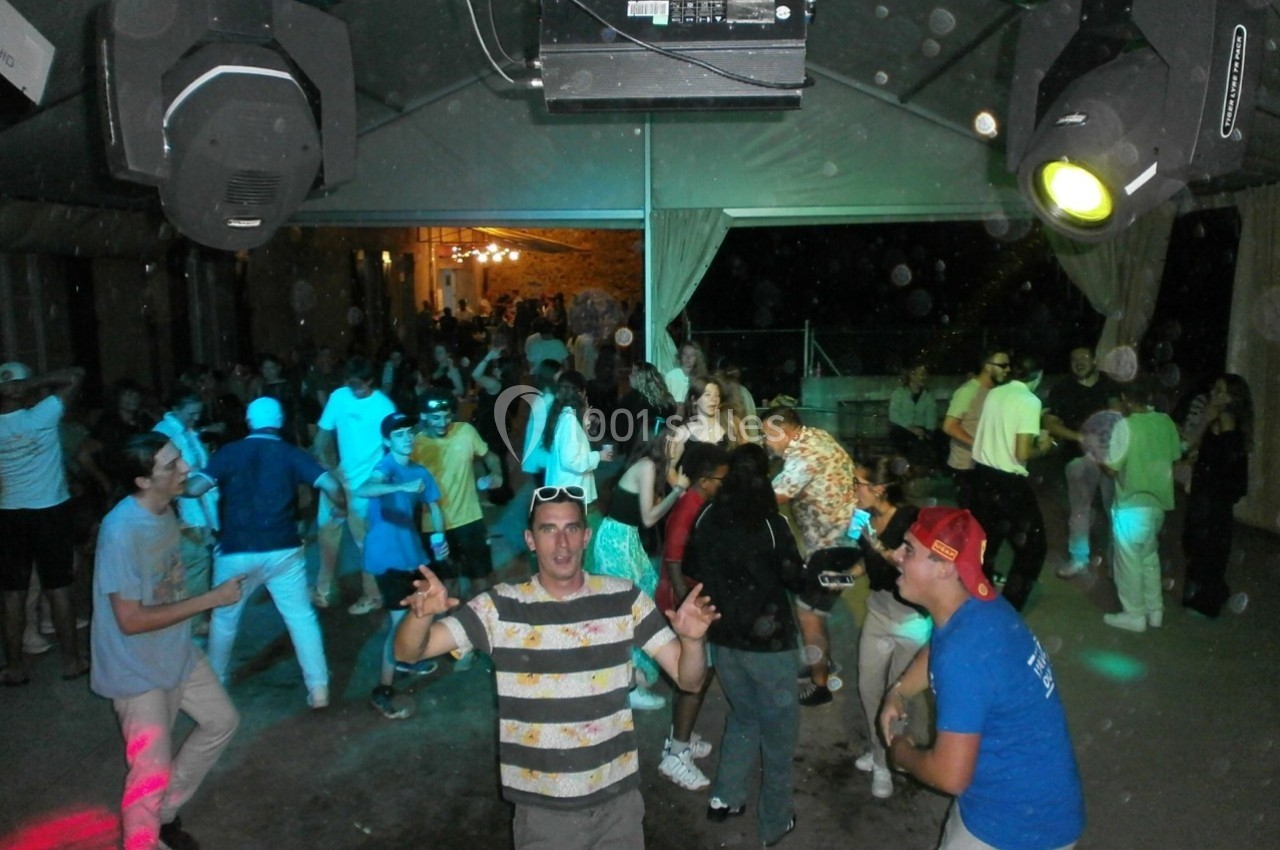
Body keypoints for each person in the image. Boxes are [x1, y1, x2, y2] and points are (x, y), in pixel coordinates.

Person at [392, 485, 718, 850]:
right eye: (549, 529)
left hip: (618, 801)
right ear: (530, 540)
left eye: (572, 528)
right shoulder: (500, 607)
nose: (561, 543)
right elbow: (410, 652)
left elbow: (689, 680)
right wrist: (420, 617)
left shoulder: (624, 598)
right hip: (543, 809)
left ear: (586, 537)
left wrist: (692, 642)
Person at [880, 507, 1085, 850]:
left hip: (1012, 829)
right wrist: (899, 692)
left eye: (909, 550)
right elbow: (938, 646)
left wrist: (903, 754)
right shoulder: (977, 607)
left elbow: (950, 775)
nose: (896, 556)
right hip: (1039, 803)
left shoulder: (965, 656)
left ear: (945, 567)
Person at [90, 433, 246, 850]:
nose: (185, 469)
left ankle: (164, 813)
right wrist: (211, 600)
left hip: (175, 651)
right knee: (149, 772)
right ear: (143, 481)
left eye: (180, 459)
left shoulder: (164, 509)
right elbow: (130, 619)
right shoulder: (121, 531)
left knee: (222, 721)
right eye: (171, 465)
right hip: (134, 669)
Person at [184, 397, 346, 708]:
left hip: (235, 550)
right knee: (301, 619)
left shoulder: (230, 453)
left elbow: (194, 489)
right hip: (283, 549)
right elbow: (332, 487)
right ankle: (319, 689)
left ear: (248, 421)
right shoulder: (290, 453)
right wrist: (341, 509)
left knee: (224, 619)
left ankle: (217, 680)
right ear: (280, 422)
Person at [681, 444, 804, 847]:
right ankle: (775, 821)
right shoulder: (772, 524)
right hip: (771, 648)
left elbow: (690, 569)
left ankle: (725, 797)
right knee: (780, 735)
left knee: (745, 717)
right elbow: (794, 578)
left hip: (725, 642)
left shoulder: (708, 516)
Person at [0, 363, 92, 684]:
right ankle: (72, 660)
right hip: (49, 512)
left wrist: (11, 388)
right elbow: (75, 374)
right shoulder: (41, 415)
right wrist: (31, 382)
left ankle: (14, 665)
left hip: (9, 513)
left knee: (13, 593)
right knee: (58, 589)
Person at [761, 405, 858, 706]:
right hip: (840, 537)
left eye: (769, 435)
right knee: (814, 607)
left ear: (787, 433)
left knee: (809, 612)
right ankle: (823, 663)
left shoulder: (805, 455)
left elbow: (774, 497)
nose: (765, 441)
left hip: (835, 545)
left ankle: (820, 685)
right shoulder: (814, 437)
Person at [357, 412, 449, 718]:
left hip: (411, 552)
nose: (407, 438)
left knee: (419, 611)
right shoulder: (386, 467)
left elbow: (434, 505)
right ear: (387, 441)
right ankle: (383, 690)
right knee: (400, 623)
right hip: (387, 556)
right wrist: (400, 488)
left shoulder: (420, 471)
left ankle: (409, 659)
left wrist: (438, 537)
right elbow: (365, 488)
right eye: (399, 434)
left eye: (409, 432)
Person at [589, 436, 689, 710]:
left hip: (626, 538)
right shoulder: (646, 466)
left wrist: (675, 475)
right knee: (628, 610)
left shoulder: (655, 466)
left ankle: (632, 677)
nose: (684, 445)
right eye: (680, 441)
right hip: (617, 541)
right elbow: (649, 517)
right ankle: (630, 686)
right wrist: (678, 489)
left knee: (645, 597)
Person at [848, 456, 925, 800]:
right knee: (867, 686)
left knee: (899, 692)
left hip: (911, 618)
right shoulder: (863, 516)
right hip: (879, 611)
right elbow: (867, 561)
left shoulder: (911, 519)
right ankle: (880, 748)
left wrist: (873, 541)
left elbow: (904, 561)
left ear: (879, 489)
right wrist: (844, 575)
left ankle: (886, 760)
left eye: (858, 485)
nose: (853, 491)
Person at [655, 441, 730, 791]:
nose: (723, 484)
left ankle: (680, 737)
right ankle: (676, 754)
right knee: (694, 677)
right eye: (720, 479)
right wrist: (688, 613)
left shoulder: (701, 503)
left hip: (692, 597)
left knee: (702, 673)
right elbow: (672, 562)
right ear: (703, 480)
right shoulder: (689, 508)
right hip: (683, 600)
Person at [312, 356, 397, 614]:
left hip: (367, 486)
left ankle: (372, 595)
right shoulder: (339, 397)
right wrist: (326, 465)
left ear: (370, 381)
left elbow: (395, 449)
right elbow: (323, 434)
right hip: (339, 479)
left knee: (365, 543)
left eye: (358, 384)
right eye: (350, 383)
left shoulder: (384, 407)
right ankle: (323, 591)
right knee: (326, 533)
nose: (353, 389)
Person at [969, 355, 1054, 611]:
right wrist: (1045, 448)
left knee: (988, 542)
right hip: (1008, 483)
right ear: (1037, 376)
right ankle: (1011, 608)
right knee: (1034, 549)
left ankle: (978, 596)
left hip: (981, 476)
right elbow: (1022, 453)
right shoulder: (1030, 400)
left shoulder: (995, 393)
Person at [1100, 380, 1181, 632]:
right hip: (1158, 504)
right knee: (1149, 556)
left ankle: (1134, 614)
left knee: (1128, 561)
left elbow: (1112, 469)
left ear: (1126, 398)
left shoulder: (1125, 426)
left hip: (1131, 505)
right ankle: (1154, 610)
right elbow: (1176, 455)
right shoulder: (1165, 422)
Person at [411, 390, 504, 603]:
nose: (443, 422)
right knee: (447, 584)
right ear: (424, 416)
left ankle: (479, 626)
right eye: (436, 417)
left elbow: (489, 456)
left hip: (470, 519)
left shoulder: (466, 432)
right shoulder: (414, 445)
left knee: (481, 581)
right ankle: (455, 629)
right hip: (435, 528)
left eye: (447, 416)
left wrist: (496, 471)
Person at [1043, 347, 1120, 578]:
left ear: (1095, 360)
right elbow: (1050, 423)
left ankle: (1116, 562)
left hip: (1109, 457)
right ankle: (1079, 559)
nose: (1079, 362)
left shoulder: (1109, 384)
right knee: (1079, 510)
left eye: (1084, 358)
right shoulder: (1062, 389)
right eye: (1074, 359)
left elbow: (1119, 416)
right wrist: (1079, 437)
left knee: (1114, 509)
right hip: (1077, 458)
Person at [1181, 373, 1252, 618]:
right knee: (1194, 541)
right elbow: (1190, 447)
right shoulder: (1214, 423)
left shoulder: (1232, 432)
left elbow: (1231, 475)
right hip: (1203, 493)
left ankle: (1210, 597)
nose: (1214, 394)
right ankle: (1204, 591)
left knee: (1210, 546)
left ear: (1232, 398)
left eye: (1221, 391)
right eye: (1215, 388)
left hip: (1216, 498)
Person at [153, 391, 220, 633]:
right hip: (185, 511)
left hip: (201, 509)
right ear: (176, 408)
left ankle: (193, 616)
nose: (195, 419)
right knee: (195, 563)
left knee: (198, 563)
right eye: (191, 414)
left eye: (198, 414)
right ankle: (193, 620)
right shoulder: (164, 433)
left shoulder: (188, 432)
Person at [942, 349, 1008, 508]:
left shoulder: (995, 392)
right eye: (1003, 365)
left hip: (985, 464)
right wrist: (980, 444)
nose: (1008, 370)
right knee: (971, 515)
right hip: (966, 466)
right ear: (987, 366)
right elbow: (949, 426)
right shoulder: (968, 391)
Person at [543, 371, 614, 507]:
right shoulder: (569, 420)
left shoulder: (562, 413)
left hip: (565, 488)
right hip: (570, 492)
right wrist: (599, 456)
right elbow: (572, 460)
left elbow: (576, 443)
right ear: (580, 393)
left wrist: (586, 419)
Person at [888, 362, 940, 470]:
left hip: (920, 431)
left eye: (925, 374)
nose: (924, 377)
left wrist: (927, 433)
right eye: (921, 374)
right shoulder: (899, 393)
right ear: (911, 375)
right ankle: (914, 470)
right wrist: (911, 428)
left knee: (934, 440)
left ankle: (918, 470)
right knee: (907, 440)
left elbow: (931, 419)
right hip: (902, 429)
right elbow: (893, 415)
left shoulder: (928, 396)